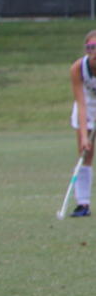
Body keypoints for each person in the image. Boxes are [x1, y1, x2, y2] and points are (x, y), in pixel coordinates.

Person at [64, 30, 95, 217]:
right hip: (88, 107)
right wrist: (84, 136)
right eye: (90, 47)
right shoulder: (78, 68)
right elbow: (81, 104)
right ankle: (83, 203)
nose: (93, 51)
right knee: (85, 154)